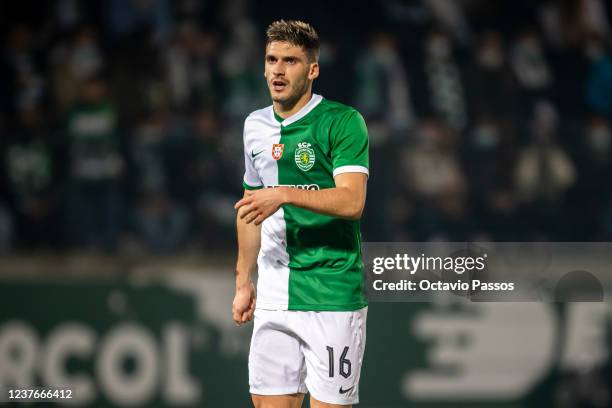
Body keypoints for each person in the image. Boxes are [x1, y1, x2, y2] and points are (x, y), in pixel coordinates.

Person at [232, 20, 369, 408]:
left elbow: (351, 201)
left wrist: (284, 194)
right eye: (271, 59)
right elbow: (250, 209)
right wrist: (244, 280)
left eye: (290, 61)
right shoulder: (254, 126)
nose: (277, 69)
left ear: (312, 70)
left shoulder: (343, 122)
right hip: (275, 293)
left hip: (331, 293)